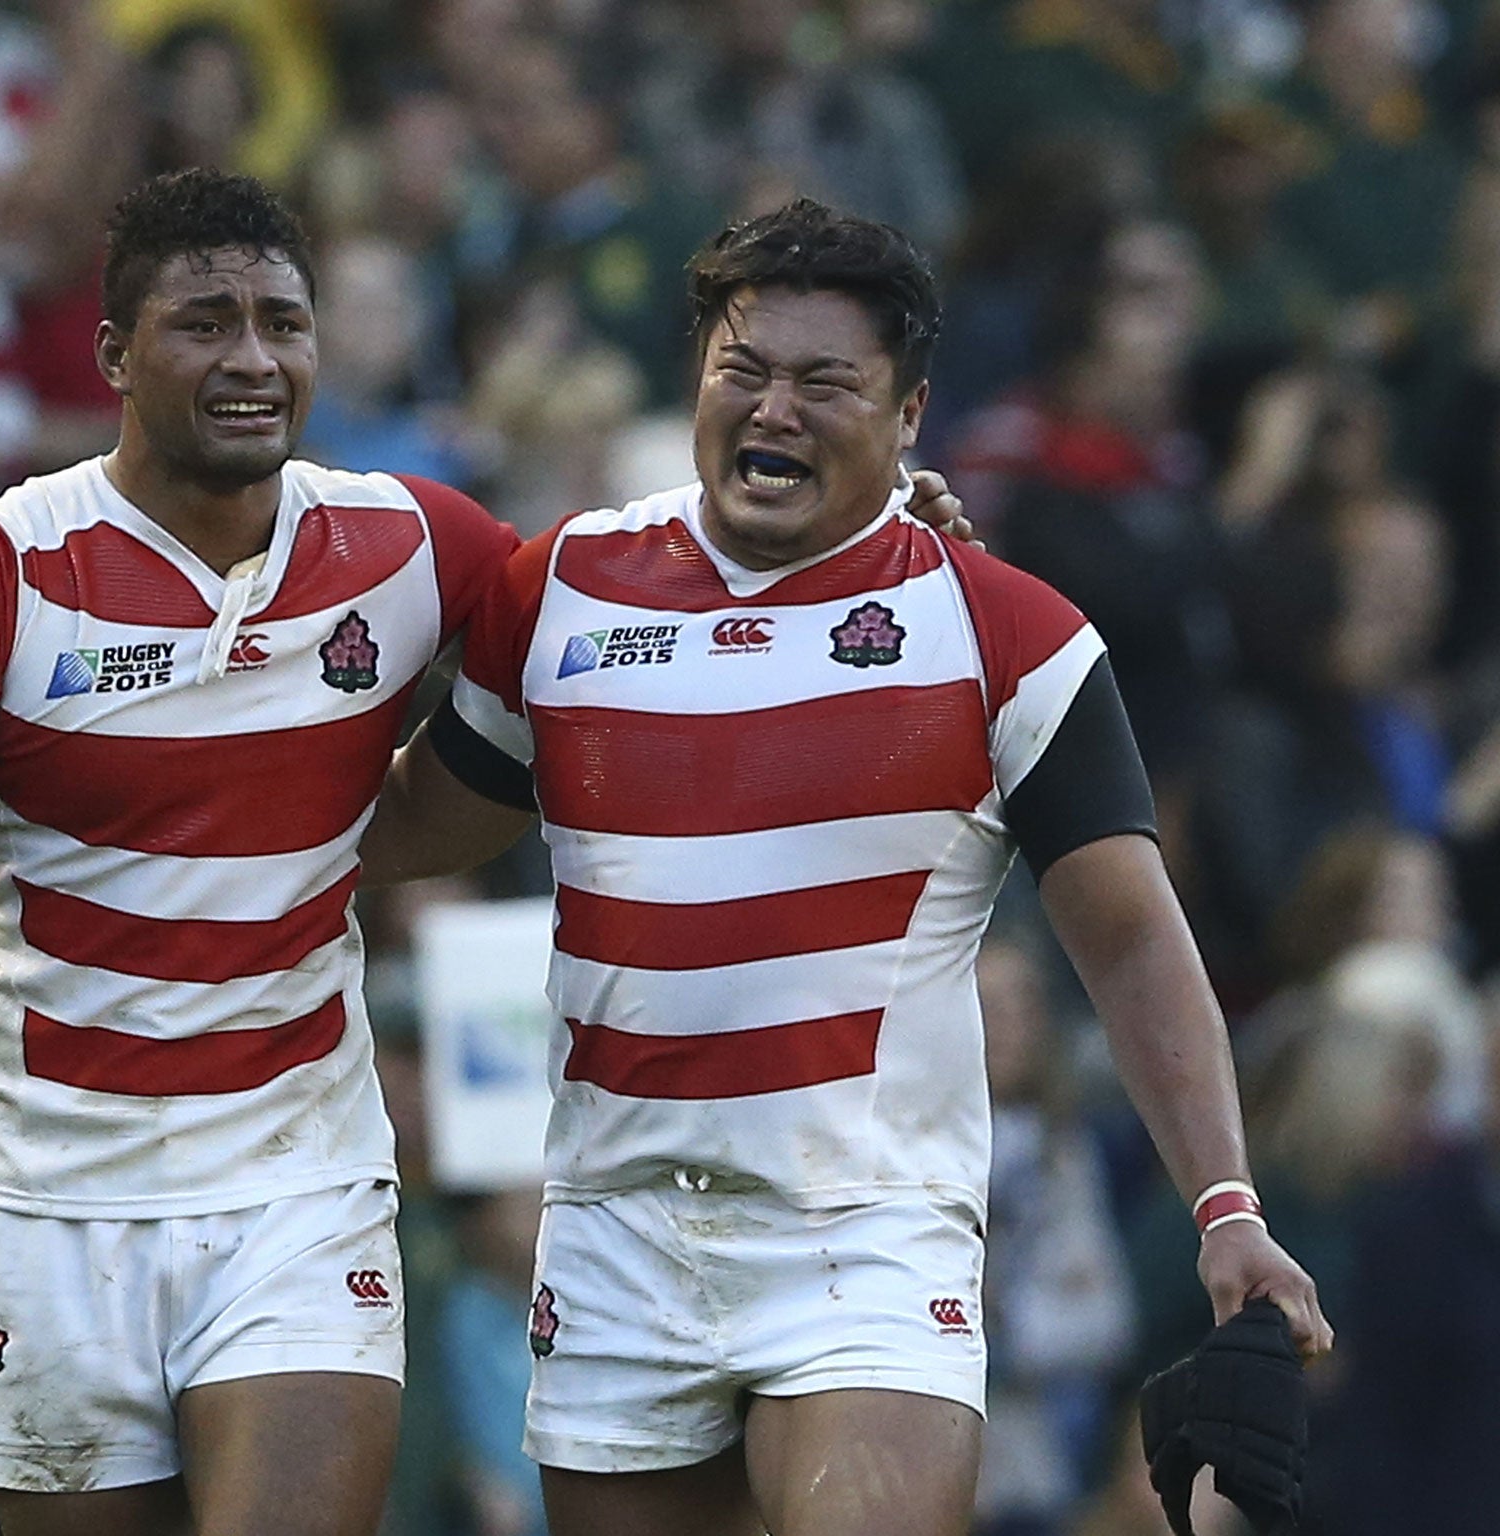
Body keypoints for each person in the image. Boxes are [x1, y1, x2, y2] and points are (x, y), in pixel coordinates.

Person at [0, 167, 969, 1529]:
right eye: (206, 323)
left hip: (298, 1177)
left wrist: (863, 531)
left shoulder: (404, 540)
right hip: (43, 1188)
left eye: (283, 323)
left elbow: (642, 617)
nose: (253, 358)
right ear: (115, 356)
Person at [361, 198, 1332, 1536]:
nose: (776, 411)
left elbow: (1132, 943)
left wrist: (1227, 1207)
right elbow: (417, 823)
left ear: (912, 411)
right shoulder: (562, 590)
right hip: (616, 1230)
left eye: (827, 384)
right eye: (745, 373)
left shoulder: (1009, 638)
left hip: (866, 1235)